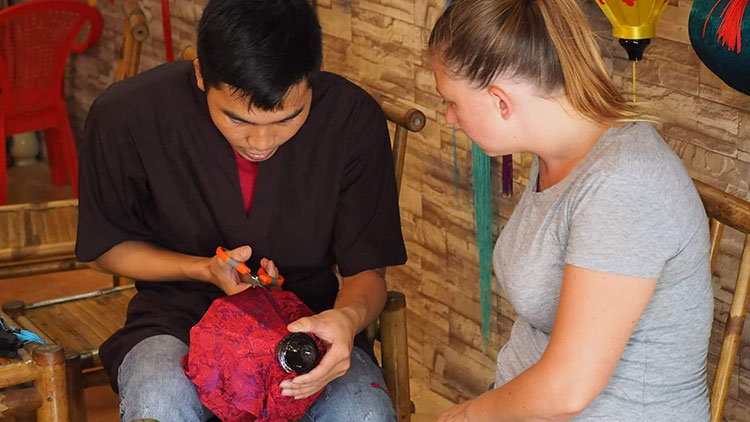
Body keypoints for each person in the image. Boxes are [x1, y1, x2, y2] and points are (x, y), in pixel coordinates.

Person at [75, 0, 406, 421]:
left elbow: (367, 273)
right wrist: (201, 269)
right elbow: (108, 246)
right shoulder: (128, 115)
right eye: (238, 120)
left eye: (288, 119)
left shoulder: (352, 120)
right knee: (160, 399)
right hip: (178, 321)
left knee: (363, 413)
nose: (261, 143)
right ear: (200, 75)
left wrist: (345, 320)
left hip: (305, 327)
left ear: (313, 80)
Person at [428, 0, 713, 421]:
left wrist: (466, 416)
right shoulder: (556, 154)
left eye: (451, 101)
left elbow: (568, 389)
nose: (450, 117)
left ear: (501, 102)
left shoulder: (625, 183)